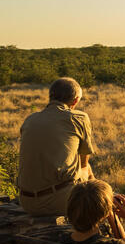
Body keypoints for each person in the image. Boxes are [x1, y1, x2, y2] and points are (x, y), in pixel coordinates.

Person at [18, 77, 95, 216]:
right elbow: (84, 163)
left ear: (50, 96)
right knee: (90, 174)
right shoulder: (79, 118)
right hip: (60, 201)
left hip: (26, 202)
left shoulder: (30, 119)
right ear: (76, 100)